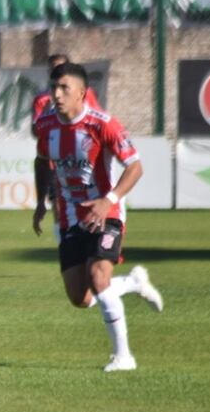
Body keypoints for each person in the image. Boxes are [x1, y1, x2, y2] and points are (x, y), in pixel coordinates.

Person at [32, 62, 163, 372]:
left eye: (64, 88)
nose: (57, 94)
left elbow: (135, 167)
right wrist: (40, 201)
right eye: (54, 88)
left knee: (98, 277)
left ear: (82, 92)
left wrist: (110, 200)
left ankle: (124, 357)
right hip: (69, 218)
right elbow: (40, 161)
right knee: (80, 297)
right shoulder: (47, 124)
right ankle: (132, 283)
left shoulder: (104, 124)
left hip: (108, 214)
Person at [33, 54, 102, 212]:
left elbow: (96, 120)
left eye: (60, 66)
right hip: (56, 160)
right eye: (53, 67)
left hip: (83, 156)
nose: (56, 70)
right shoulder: (42, 99)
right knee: (58, 201)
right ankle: (62, 234)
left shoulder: (85, 93)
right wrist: (46, 113)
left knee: (89, 198)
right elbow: (36, 130)